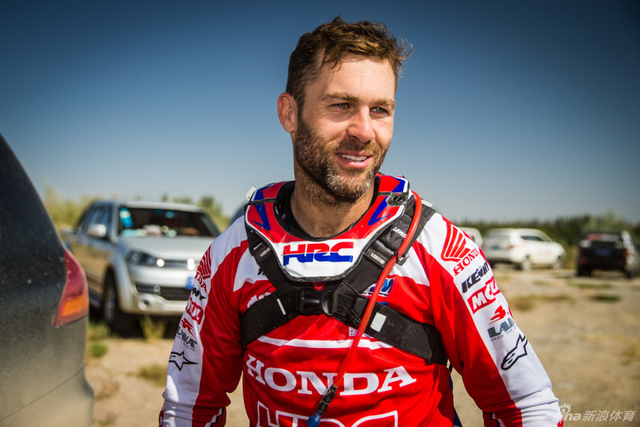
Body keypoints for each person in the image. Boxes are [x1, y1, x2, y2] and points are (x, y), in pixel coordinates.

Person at [159, 17, 564, 427]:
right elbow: (188, 408)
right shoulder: (233, 254)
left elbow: (526, 406)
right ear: (289, 113)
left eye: (380, 110)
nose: (365, 131)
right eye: (341, 105)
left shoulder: (438, 248)